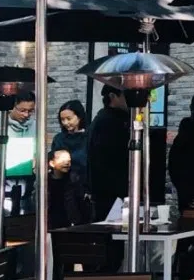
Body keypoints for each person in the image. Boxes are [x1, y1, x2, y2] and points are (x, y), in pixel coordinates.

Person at [0, 91, 37, 214]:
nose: (26, 114)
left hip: (26, 190)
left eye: (30, 111)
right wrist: (4, 164)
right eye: (22, 110)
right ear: (11, 107)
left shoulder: (35, 126)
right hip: (0, 190)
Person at [88, 86, 131, 222]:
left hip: (115, 191)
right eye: (126, 94)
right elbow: (106, 160)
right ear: (113, 97)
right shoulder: (107, 122)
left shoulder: (116, 119)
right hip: (112, 193)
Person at [47, 149, 92, 229]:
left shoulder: (74, 179)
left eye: (69, 161)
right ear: (52, 163)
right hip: (52, 222)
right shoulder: (45, 182)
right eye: (63, 160)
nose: (67, 163)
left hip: (72, 222)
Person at [51, 100, 91, 188]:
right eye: (62, 120)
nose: (65, 123)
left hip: (84, 185)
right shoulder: (59, 138)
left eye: (69, 119)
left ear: (79, 117)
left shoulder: (89, 137)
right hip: (62, 186)